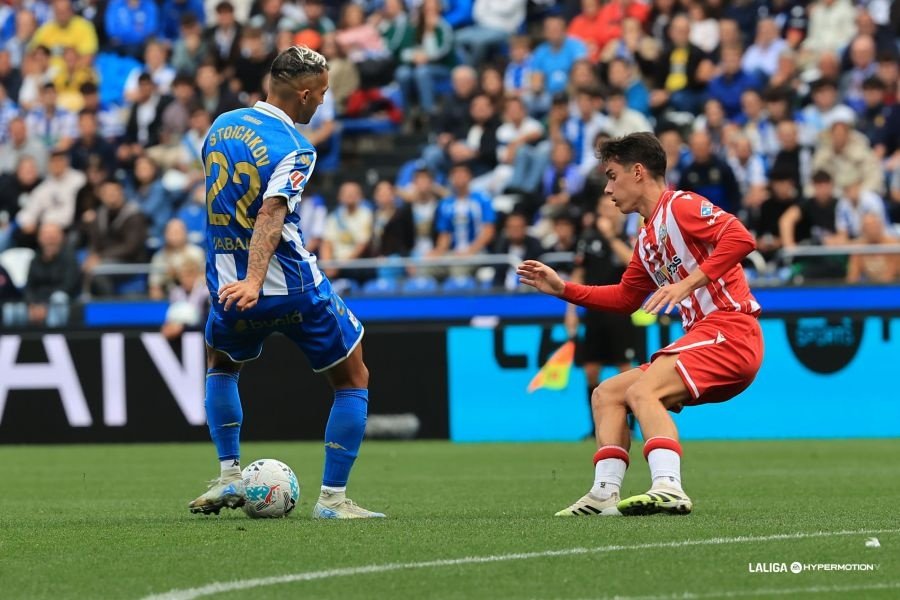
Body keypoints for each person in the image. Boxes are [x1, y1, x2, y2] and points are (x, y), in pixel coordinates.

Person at [517, 132, 763, 517]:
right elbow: (624, 298)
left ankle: (669, 485)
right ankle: (603, 494)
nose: (609, 189)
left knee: (642, 391)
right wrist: (562, 289)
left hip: (730, 332)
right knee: (608, 393)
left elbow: (740, 238)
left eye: (612, 176)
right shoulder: (647, 237)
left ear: (637, 172)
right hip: (706, 338)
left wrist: (688, 282)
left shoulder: (680, 205)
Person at [189, 45, 384, 520]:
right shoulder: (296, 148)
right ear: (301, 94)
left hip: (227, 286)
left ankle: (230, 474)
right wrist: (257, 278)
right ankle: (334, 500)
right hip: (288, 284)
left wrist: (242, 281)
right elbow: (272, 211)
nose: (322, 103)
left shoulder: (219, 128)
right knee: (353, 375)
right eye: (319, 94)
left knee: (222, 363)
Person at [565, 194, 639, 435]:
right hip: (594, 311)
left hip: (619, 310)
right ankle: (596, 426)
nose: (608, 211)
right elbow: (579, 274)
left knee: (626, 368)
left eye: (611, 207)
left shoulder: (627, 238)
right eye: (603, 207)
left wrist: (610, 236)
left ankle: (631, 426)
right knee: (591, 370)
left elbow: (631, 263)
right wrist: (571, 310)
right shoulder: (587, 238)